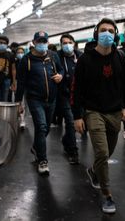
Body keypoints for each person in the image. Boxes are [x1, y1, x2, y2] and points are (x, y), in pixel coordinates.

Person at [72, 18, 125, 214]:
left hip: (114, 112)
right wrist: (77, 116)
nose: (107, 34)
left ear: (115, 35)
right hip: (93, 111)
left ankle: (93, 171)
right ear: (97, 33)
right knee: (102, 153)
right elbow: (77, 89)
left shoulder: (120, 57)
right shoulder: (85, 59)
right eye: (104, 30)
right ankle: (107, 195)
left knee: (109, 151)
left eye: (111, 31)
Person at [15, 31, 63, 176]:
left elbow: (60, 70)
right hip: (35, 100)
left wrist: (60, 76)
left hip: (52, 99)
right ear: (34, 42)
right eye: (39, 41)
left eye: (44, 41)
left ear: (47, 42)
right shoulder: (26, 60)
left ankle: (36, 147)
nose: (42, 44)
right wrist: (19, 102)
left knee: (46, 128)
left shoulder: (53, 56)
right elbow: (21, 83)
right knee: (41, 127)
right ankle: (42, 160)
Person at [57, 34, 80, 164]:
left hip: (78, 95)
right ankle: (73, 151)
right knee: (70, 122)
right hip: (64, 95)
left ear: (74, 43)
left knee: (77, 121)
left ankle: (66, 140)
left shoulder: (80, 56)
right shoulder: (56, 57)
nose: (67, 45)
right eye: (64, 43)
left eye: (69, 42)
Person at [13, 47, 27, 129]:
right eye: (18, 52)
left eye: (22, 52)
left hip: (26, 83)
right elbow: (14, 72)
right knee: (19, 102)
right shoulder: (15, 62)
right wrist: (14, 82)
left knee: (25, 103)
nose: (20, 54)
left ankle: (22, 118)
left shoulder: (26, 61)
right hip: (18, 83)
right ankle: (21, 119)